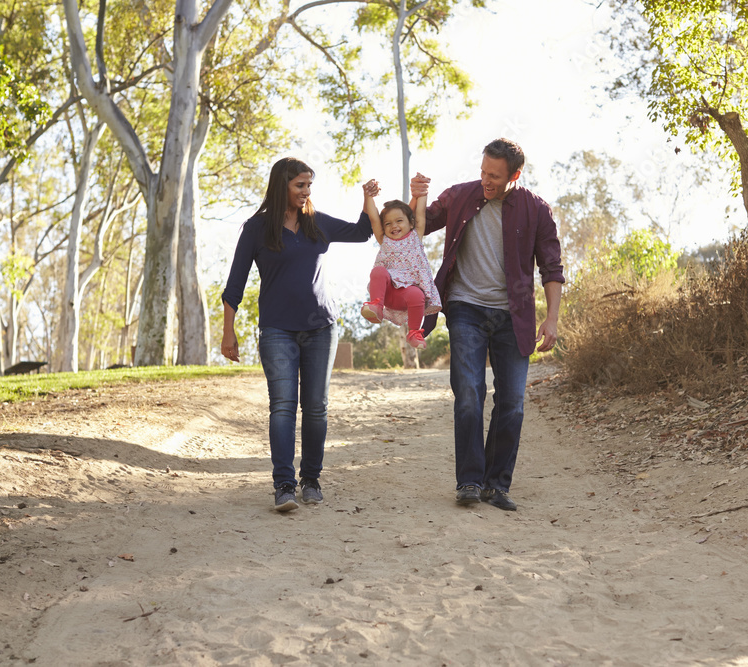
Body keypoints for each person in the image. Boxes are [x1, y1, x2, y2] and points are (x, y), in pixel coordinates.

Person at [410, 138, 564, 511]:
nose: (486, 181)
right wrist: (417, 196)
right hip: (466, 307)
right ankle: (469, 481)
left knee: (511, 402)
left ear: (515, 174)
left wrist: (552, 318)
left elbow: (552, 266)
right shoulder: (461, 196)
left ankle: (496, 486)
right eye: (483, 172)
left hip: (515, 315)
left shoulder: (535, 209)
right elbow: (419, 227)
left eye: (494, 176)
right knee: (469, 392)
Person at [221, 157, 373, 513]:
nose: (306, 192)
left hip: (321, 326)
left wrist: (368, 198)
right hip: (277, 329)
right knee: (283, 407)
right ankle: (284, 486)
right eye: (299, 186)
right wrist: (228, 333)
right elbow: (235, 283)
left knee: (316, 408)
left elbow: (361, 232)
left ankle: (311, 480)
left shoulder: (316, 224)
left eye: (309, 186)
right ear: (281, 186)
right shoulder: (257, 229)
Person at [359, 178, 442, 349]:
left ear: (410, 223)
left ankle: (413, 333)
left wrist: (422, 193)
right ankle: (375, 306)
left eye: (399, 221)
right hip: (388, 294)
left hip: (406, 296)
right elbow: (374, 218)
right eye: (388, 223)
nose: (393, 226)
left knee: (417, 295)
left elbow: (420, 214)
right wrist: (368, 196)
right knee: (379, 271)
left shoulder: (415, 236)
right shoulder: (384, 240)